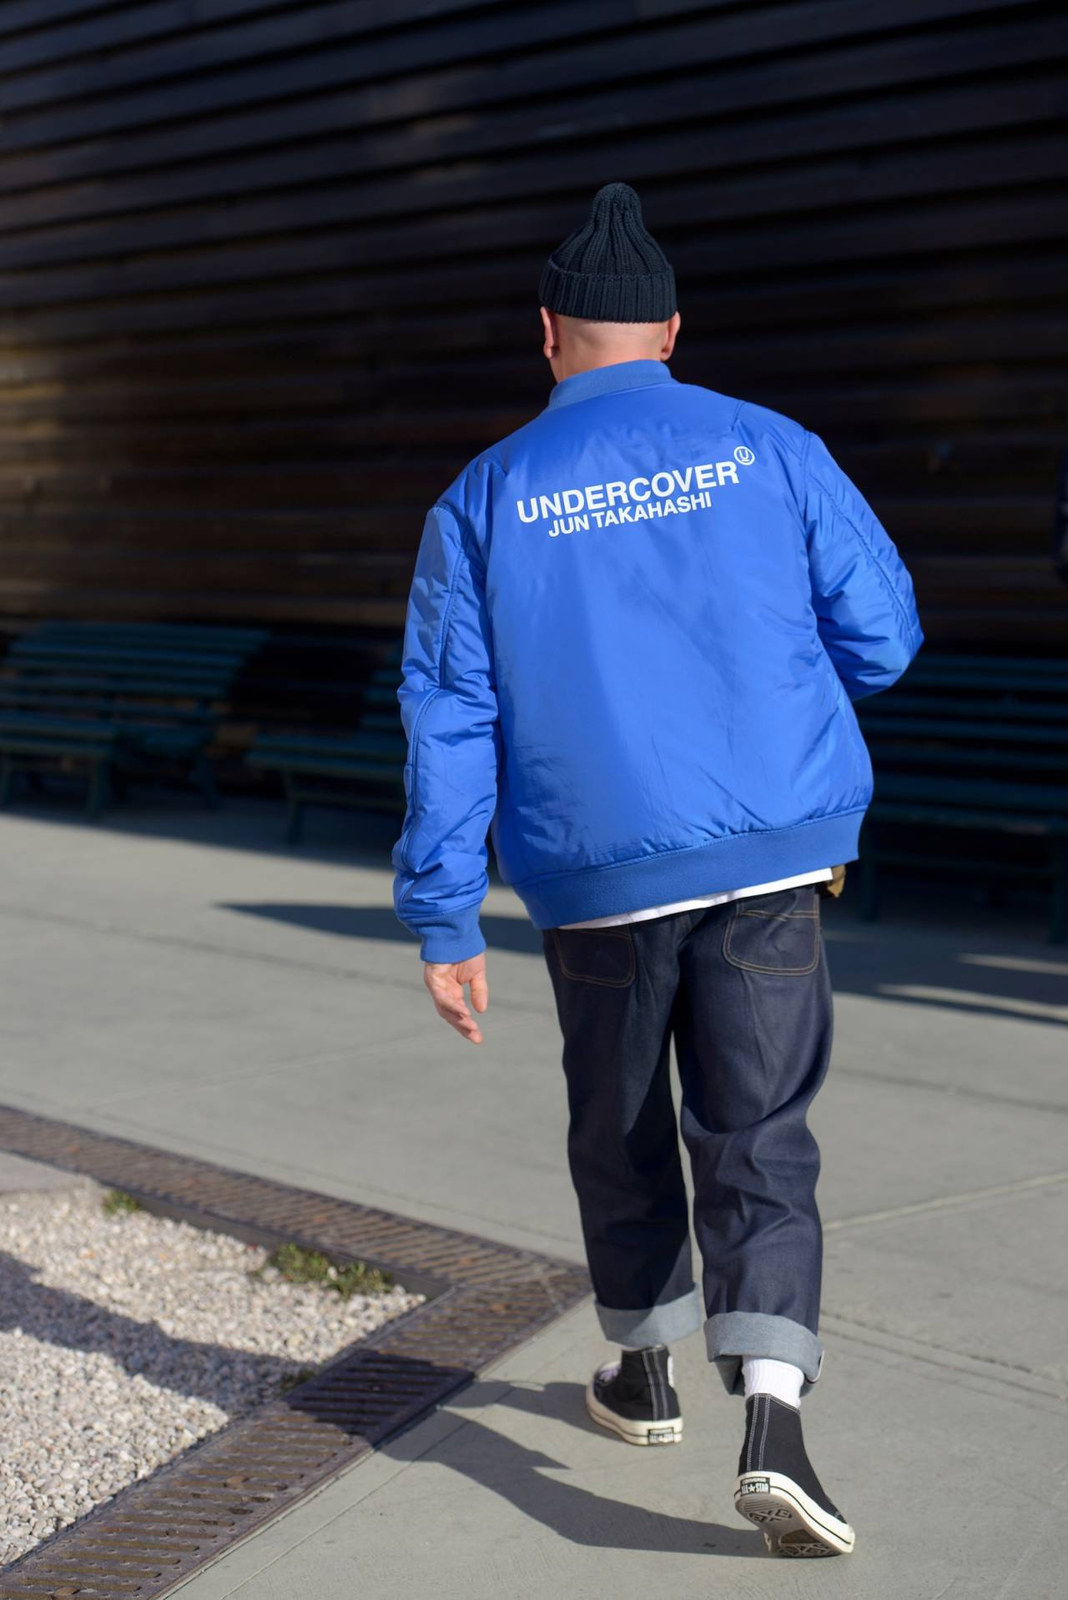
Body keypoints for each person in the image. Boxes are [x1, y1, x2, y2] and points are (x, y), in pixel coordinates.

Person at [391, 181, 923, 1558]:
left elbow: (450, 714)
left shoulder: (484, 497)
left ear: (550, 334)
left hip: (596, 878)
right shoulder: (775, 448)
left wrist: (445, 911)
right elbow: (885, 637)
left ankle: (644, 1372)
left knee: (620, 1127)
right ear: (673, 329)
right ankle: (778, 1417)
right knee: (759, 1133)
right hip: (769, 859)